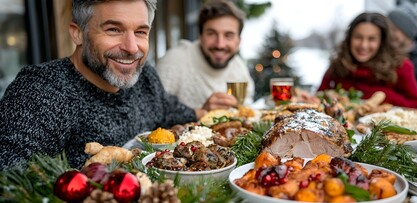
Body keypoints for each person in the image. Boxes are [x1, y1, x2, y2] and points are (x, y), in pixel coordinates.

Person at [0, 0, 230, 171]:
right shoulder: (40, 91)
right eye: (114, 29)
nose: (131, 47)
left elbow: (170, 111)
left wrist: (209, 111)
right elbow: (10, 181)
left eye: (140, 32)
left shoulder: (145, 76)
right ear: (78, 33)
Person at [318, 12, 417, 112]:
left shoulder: (401, 66)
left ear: (382, 42)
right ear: (349, 38)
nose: (363, 45)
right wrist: (329, 96)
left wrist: (388, 96)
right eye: (358, 37)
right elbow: (317, 96)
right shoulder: (338, 64)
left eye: (371, 39)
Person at [156, 0, 255, 109]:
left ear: (239, 41)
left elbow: (248, 109)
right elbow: (152, 113)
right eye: (211, 34)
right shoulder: (175, 61)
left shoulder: (239, 67)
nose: (220, 44)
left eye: (228, 35)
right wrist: (201, 113)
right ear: (200, 36)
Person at [387, 2, 417, 99]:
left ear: (408, 32)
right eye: (388, 29)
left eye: (395, 29)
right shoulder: (386, 56)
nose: (390, 34)